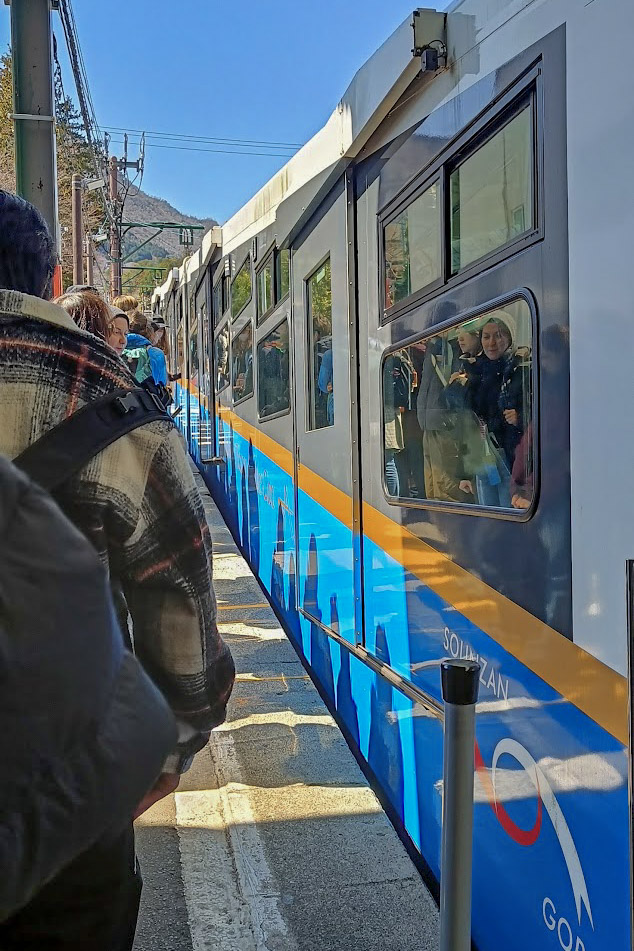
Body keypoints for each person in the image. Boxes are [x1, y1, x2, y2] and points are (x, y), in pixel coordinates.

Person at [0, 190, 235, 949]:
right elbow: (182, 597)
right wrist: (159, 758)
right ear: (50, 278)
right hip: (65, 805)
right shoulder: (112, 397)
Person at [461, 314, 530, 507]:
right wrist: (465, 474)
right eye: (486, 336)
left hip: (511, 461)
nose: (492, 342)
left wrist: (521, 418)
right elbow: (469, 420)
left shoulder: (523, 368)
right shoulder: (477, 371)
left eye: (498, 335)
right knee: (489, 522)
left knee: (509, 522)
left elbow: (543, 419)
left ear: (509, 337)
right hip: (484, 458)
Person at [123, 311, 169, 388]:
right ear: (148, 330)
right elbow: (162, 384)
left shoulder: (113, 351)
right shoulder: (156, 354)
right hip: (145, 398)